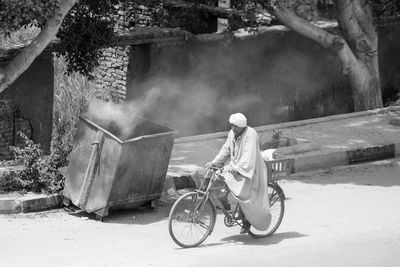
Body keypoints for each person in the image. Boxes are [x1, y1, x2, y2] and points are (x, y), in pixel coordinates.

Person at [206, 113, 271, 234]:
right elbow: (226, 149)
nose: (233, 128)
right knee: (219, 178)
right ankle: (226, 206)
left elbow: (248, 156)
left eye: (236, 126)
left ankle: (246, 223)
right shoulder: (232, 133)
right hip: (235, 166)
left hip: (250, 170)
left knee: (245, 195)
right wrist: (214, 162)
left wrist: (237, 169)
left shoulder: (251, 134)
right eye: (232, 126)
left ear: (242, 126)